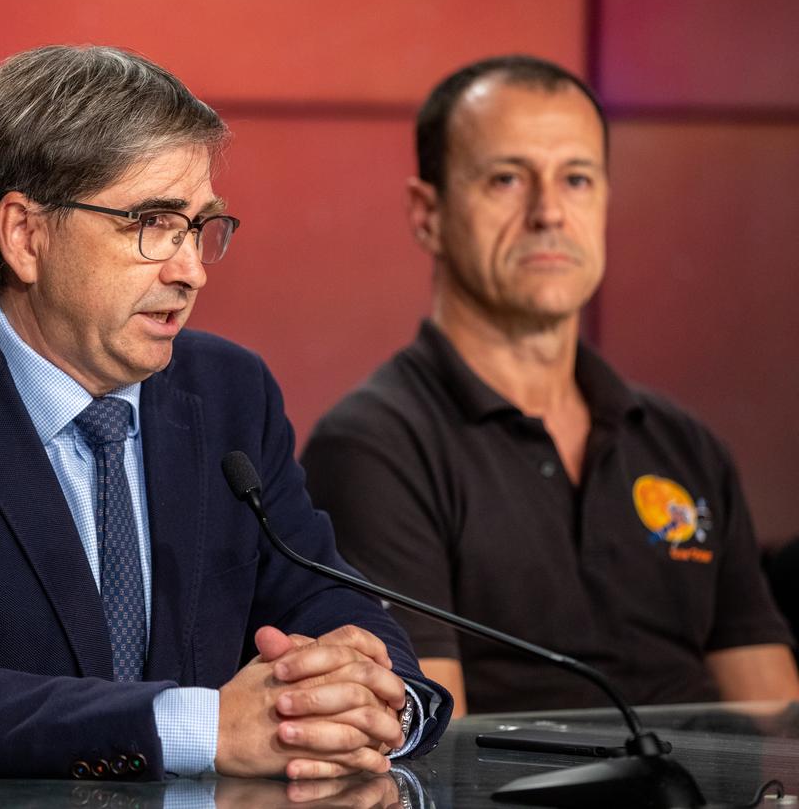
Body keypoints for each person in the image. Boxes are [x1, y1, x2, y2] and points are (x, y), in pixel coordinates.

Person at [0, 45, 450, 782]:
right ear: (25, 236)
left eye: (200, 226)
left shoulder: (230, 392)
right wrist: (201, 727)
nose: (191, 270)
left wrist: (385, 702)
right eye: (153, 222)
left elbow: (321, 591)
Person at [302, 55, 799, 716]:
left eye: (577, 179)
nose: (549, 213)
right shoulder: (373, 448)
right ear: (427, 214)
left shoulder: (686, 445)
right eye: (507, 179)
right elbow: (425, 742)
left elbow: (777, 723)